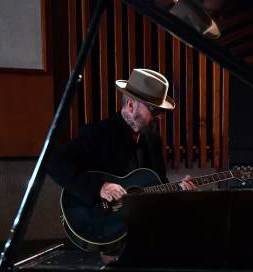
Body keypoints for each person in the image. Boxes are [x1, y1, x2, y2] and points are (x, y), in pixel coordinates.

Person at [48, 68, 195, 205]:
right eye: (154, 110)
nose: (160, 117)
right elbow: (53, 162)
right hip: (103, 225)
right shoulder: (98, 134)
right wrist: (100, 186)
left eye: (162, 112)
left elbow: (158, 186)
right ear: (131, 105)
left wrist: (179, 190)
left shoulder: (153, 141)